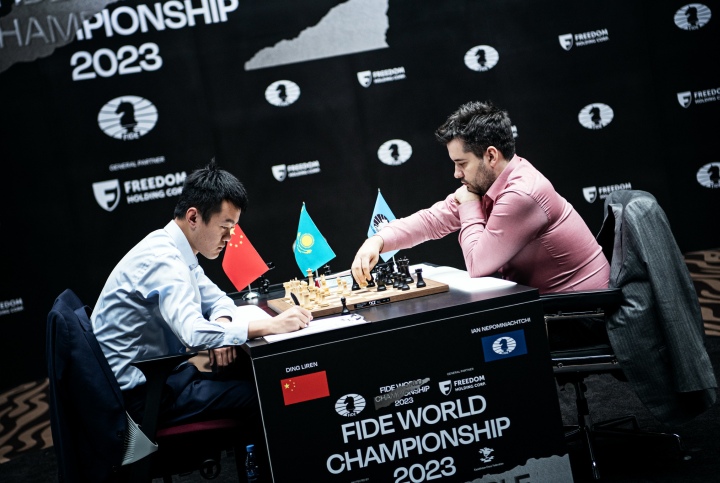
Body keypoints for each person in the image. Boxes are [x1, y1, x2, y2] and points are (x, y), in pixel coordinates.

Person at [91, 159, 311, 466]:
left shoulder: (175, 249)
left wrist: (221, 325)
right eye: (225, 227)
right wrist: (268, 326)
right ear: (194, 216)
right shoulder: (164, 260)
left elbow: (219, 300)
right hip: (140, 400)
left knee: (244, 375)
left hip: (159, 381)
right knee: (263, 395)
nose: (230, 237)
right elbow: (193, 334)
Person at [351, 101, 610, 345]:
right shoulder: (492, 183)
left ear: (491, 156)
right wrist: (379, 239)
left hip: (581, 314)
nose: (456, 174)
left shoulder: (521, 193)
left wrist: (468, 206)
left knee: (464, 341)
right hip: (553, 308)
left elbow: (477, 264)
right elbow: (433, 220)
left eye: (462, 163)